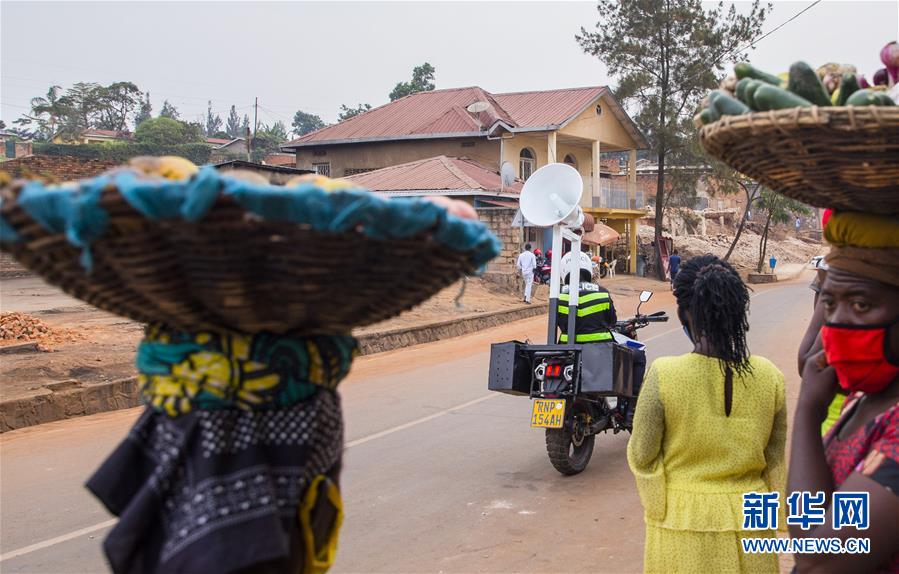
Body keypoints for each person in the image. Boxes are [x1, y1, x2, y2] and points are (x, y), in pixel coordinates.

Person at [628, 254, 786, 574]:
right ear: (738, 311)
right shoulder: (771, 378)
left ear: (684, 314)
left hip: (681, 527)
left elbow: (643, 456)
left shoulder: (664, 375)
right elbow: (775, 462)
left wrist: (659, 505)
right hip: (752, 527)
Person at [787, 211, 899, 573]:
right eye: (830, 304)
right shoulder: (865, 398)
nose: (836, 323)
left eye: (861, 305)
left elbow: (817, 560)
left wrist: (806, 413)